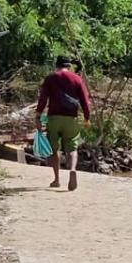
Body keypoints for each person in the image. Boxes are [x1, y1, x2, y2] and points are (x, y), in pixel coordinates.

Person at [35, 55, 92, 190]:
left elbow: (43, 99)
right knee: (72, 148)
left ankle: (56, 179)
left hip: (54, 119)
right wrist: (86, 117)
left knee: (54, 150)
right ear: (69, 66)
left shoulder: (50, 78)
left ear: (57, 65)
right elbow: (85, 100)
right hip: (71, 119)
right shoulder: (77, 79)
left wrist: (38, 116)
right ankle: (72, 169)